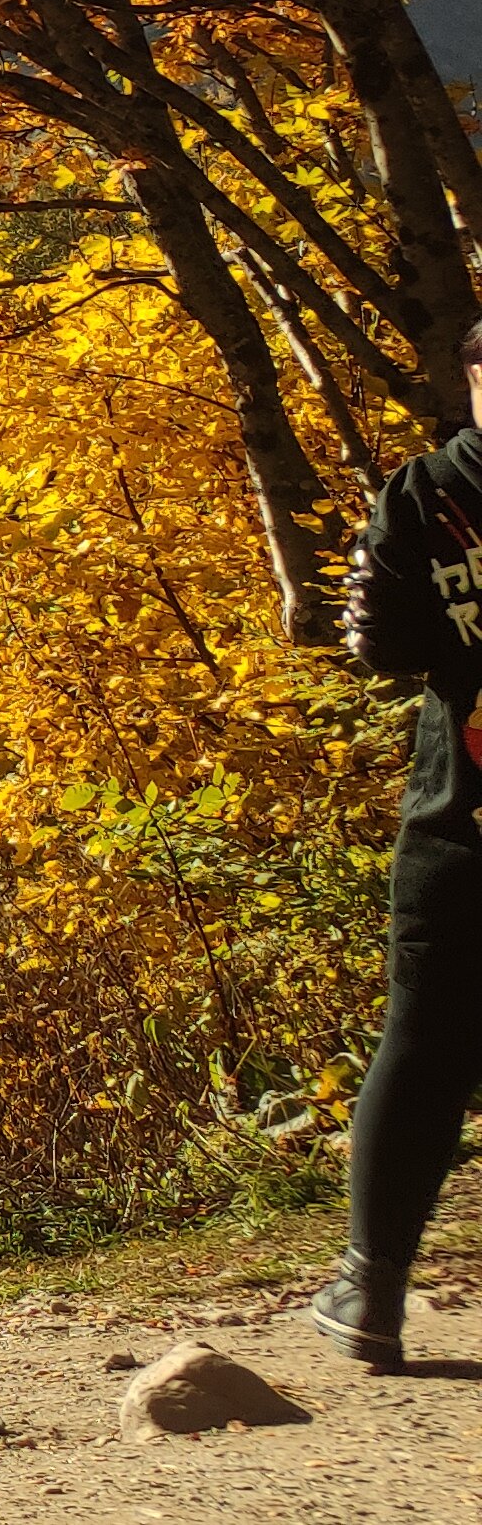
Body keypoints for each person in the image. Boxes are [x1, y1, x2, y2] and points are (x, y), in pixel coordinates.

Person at [325, 337, 482, 1370]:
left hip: (462, 820)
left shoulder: (425, 492)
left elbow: (379, 644)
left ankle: (370, 1289)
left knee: (424, 1045)